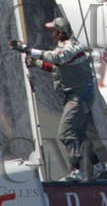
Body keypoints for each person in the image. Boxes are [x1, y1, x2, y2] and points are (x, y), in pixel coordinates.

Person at [12, 17, 97, 181]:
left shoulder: (71, 47)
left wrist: (26, 49)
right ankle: (97, 165)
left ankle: (78, 170)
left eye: (53, 31)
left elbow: (58, 58)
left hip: (80, 96)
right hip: (77, 95)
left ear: (60, 32)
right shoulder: (63, 48)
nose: (51, 34)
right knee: (78, 133)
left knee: (66, 133)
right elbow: (56, 67)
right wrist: (35, 63)